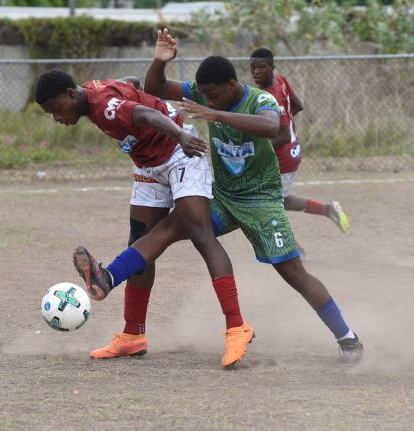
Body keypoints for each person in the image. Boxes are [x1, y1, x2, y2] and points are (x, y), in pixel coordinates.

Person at [142, 28, 364, 362]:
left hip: (261, 200)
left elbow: (271, 127)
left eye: (214, 95)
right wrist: (159, 62)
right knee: (171, 228)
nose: (208, 101)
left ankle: (348, 339)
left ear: (232, 85)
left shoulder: (261, 99)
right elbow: (155, 87)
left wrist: (217, 114)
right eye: (205, 97)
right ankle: (115, 283)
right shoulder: (206, 94)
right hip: (224, 197)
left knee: (293, 273)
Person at [34, 70, 255, 368]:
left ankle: (236, 326)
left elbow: (144, 113)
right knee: (138, 244)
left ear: (71, 95)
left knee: (201, 234)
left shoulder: (104, 108)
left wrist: (181, 136)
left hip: (180, 152)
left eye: (57, 110)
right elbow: (132, 83)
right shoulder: (92, 92)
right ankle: (132, 335)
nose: (57, 118)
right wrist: (133, 88)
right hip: (149, 165)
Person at [249, 48, 349, 250]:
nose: (256, 72)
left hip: (282, 158)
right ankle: (327, 210)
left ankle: (294, 249)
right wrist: (284, 122)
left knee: (267, 204)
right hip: (292, 151)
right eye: (253, 67)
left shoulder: (269, 96)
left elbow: (283, 135)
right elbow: (298, 105)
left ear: (271, 67)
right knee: (279, 200)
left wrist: (254, 147)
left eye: (261, 67)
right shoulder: (280, 80)